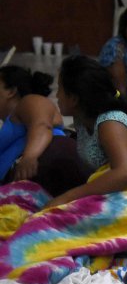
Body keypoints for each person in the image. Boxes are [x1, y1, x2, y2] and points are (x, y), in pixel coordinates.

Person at [0, 56, 127, 284]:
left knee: (52, 223)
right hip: (122, 181)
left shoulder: (109, 121)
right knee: (33, 205)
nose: (56, 95)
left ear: (75, 98)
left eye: (61, 89)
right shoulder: (81, 121)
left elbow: (124, 174)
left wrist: (68, 197)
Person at [0, 66, 87, 196]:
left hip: (47, 163)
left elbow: (42, 124)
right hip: (25, 184)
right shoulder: (9, 125)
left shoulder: (30, 101)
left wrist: (30, 156)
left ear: (11, 91)